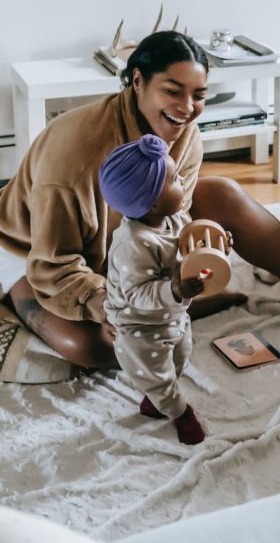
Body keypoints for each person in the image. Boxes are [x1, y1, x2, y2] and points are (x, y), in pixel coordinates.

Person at [0, 31, 280, 370]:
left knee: (223, 194)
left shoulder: (185, 134)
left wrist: (199, 238)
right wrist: (108, 306)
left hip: (125, 241)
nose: (187, 108)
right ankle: (178, 308)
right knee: (95, 348)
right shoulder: (73, 155)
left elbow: (172, 218)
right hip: (33, 252)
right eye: (174, 91)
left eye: (199, 94)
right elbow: (52, 264)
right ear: (137, 81)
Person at [99, 134, 209, 445]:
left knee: (180, 357)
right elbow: (137, 293)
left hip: (172, 315)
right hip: (139, 327)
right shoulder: (132, 244)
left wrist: (213, 241)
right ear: (152, 201)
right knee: (157, 374)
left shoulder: (172, 217)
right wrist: (174, 289)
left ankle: (156, 399)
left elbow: (190, 239)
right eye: (175, 179)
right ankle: (179, 413)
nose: (183, 180)